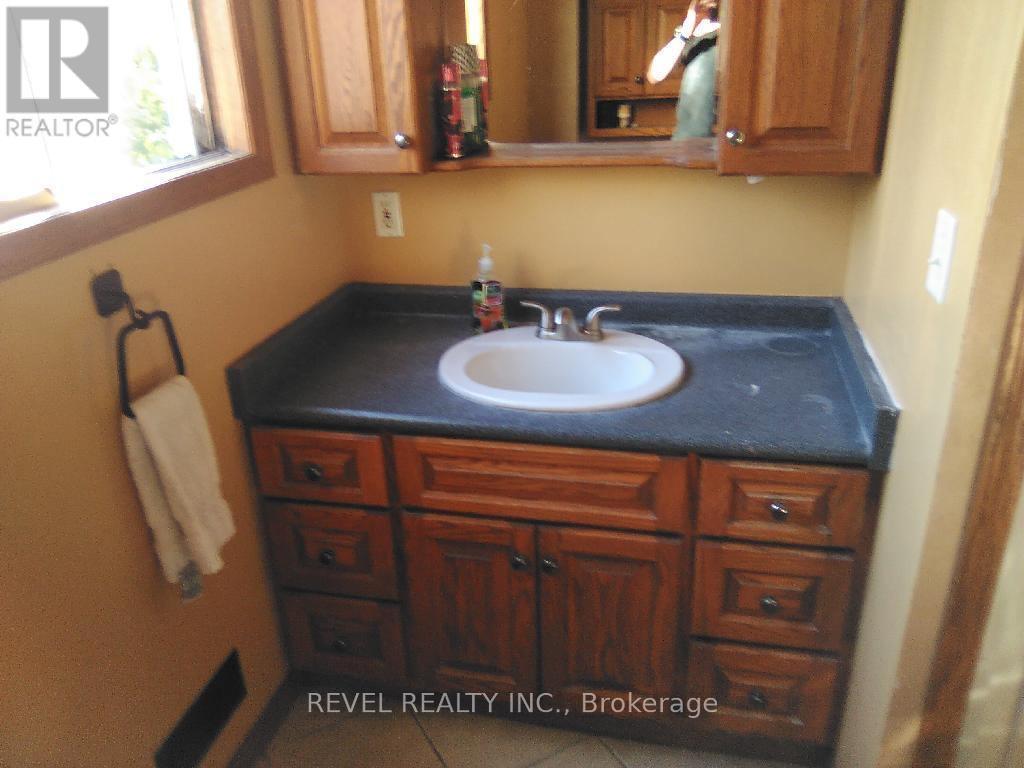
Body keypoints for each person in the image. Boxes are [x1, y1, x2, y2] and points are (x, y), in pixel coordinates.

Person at [646, 0, 721, 140]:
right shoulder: (689, 32)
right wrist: (686, 30)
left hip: (729, 144)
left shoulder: (740, 28)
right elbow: (655, 75)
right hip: (689, 142)